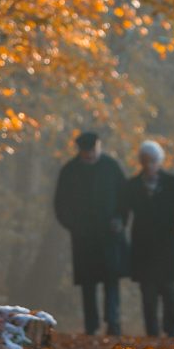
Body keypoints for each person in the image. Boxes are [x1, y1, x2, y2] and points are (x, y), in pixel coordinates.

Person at [52, 130, 126, 336]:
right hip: (83, 237)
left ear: (98, 147)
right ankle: (91, 325)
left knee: (112, 279)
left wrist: (120, 219)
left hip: (109, 234)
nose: (90, 155)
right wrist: (73, 225)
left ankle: (113, 322)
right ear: (80, 151)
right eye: (87, 152)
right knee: (88, 282)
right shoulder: (69, 171)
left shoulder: (111, 166)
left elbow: (125, 196)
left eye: (93, 151)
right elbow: (60, 204)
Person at [120, 139, 174, 338]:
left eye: (153, 160)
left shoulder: (171, 183)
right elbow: (123, 211)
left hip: (167, 243)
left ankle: (172, 329)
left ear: (159, 161)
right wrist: (119, 224)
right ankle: (152, 332)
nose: (149, 164)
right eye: (145, 160)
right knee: (148, 292)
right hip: (143, 244)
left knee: (169, 290)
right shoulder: (132, 185)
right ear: (141, 162)